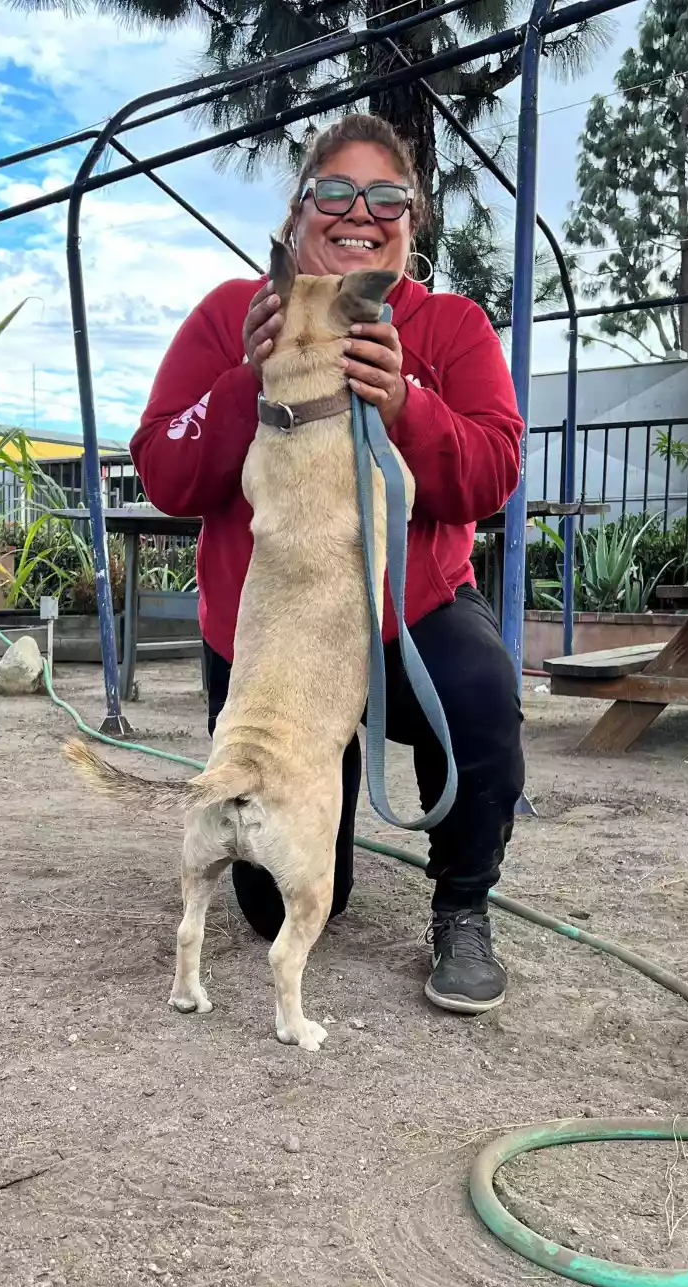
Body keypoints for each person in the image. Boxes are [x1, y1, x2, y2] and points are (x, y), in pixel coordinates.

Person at [128, 113, 526, 1014]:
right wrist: (249, 376)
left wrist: (408, 408)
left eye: (387, 197)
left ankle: (463, 908)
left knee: (481, 691)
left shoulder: (450, 327)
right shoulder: (234, 314)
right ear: (299, 212)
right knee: (288, 908)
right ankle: (322, 810)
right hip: (274, 645)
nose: (361, 212)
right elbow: (164, 469)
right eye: (335, 192)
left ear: (412, 224)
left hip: (402, 618)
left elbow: (495, 473)